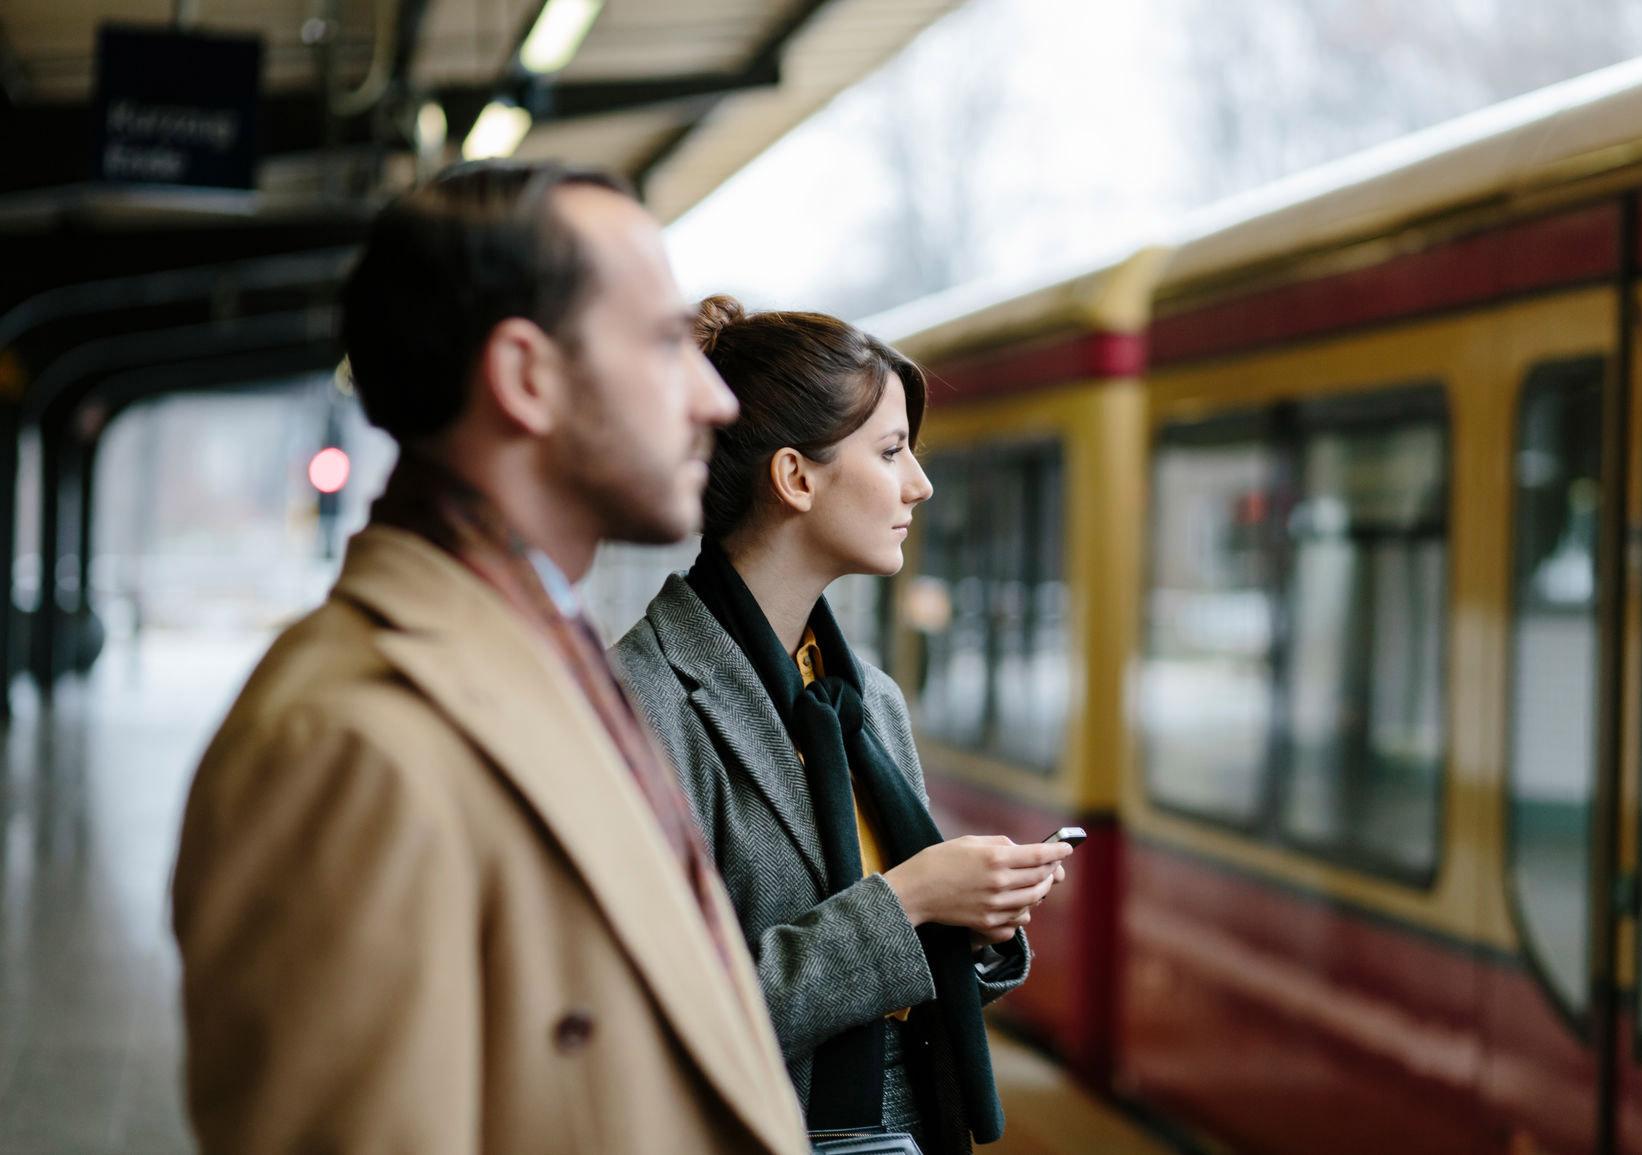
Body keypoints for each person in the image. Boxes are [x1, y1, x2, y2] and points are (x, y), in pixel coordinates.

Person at [171, 165, 809, 1155]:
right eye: (662, 344)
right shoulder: (347, 740)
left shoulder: (541, 653)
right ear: (525, 378)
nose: (714, 399)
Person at [612, 296, 1072, 1154]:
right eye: (891, 451)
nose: (919, 484)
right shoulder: (640, 700)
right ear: (795, 478)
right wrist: (910, 900)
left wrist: (975, 924)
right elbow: (658, 1014)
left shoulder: (866, 701)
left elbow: (904, 996)